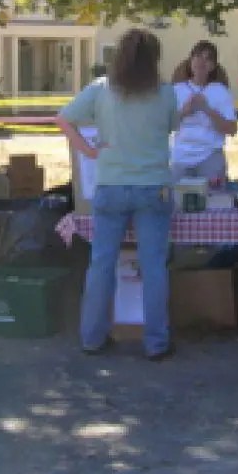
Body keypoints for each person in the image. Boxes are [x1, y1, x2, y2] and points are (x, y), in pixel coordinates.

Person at [55, 28, 179, 361]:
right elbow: (169, 127)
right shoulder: (166, 94)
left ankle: (92, 337)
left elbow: (64, 119)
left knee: (101, 264)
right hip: (153, 186)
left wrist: (89, 151)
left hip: (110, 186)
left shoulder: (100, 90)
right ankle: (156, 342)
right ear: (154, 59)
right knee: (154, 266)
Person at [170, 40, 238, 183]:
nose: (201, 62)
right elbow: (165, 125)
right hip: (180, 158)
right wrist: (184, 112)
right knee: (177, 200)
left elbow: (231, 129)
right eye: (198, 57)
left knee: (214, 200)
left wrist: (207, 109)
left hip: (210, 156)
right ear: (190, 61)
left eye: (207, 59)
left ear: (213, 66)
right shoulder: (176, 90)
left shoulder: (220, 91)